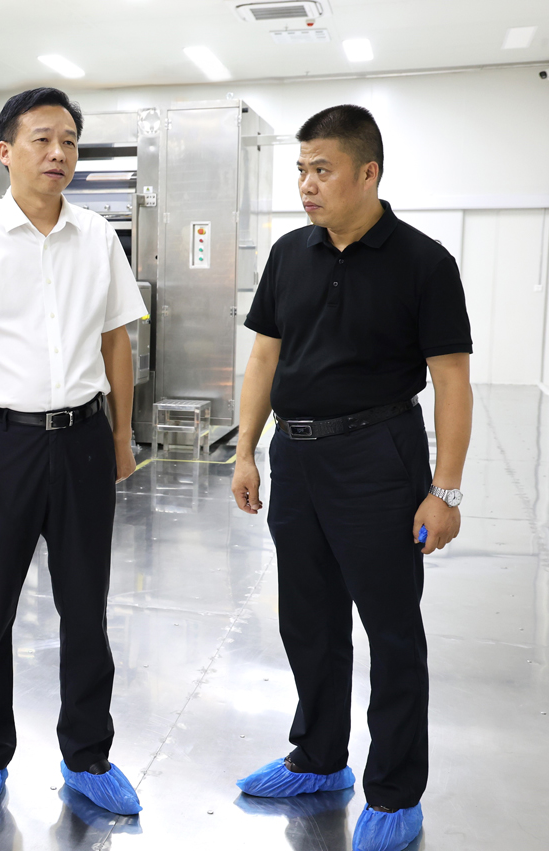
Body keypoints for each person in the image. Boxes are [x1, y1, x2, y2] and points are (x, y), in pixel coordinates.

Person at [230, 105, 472, 851]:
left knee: (391, 628)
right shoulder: (289, 253)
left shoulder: (424, 262)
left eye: (322, 170)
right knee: (308, 617)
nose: (306, 184)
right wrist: (245, 450)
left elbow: (452, 380)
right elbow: (264, 357)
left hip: (378, 457)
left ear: (368, 173)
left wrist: (445, 490)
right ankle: (319, 758)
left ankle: (395, 793)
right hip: (296, 456)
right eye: (301, 169)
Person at [0, 87, 148, 822]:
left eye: (69, 140)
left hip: (82, 441)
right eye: (42, 139)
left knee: (86, 610)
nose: (58, 153)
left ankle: (88, 755)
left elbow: (116, 342)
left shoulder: (97, 236)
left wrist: (120, 439)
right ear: (6, 151)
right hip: (0, 444)